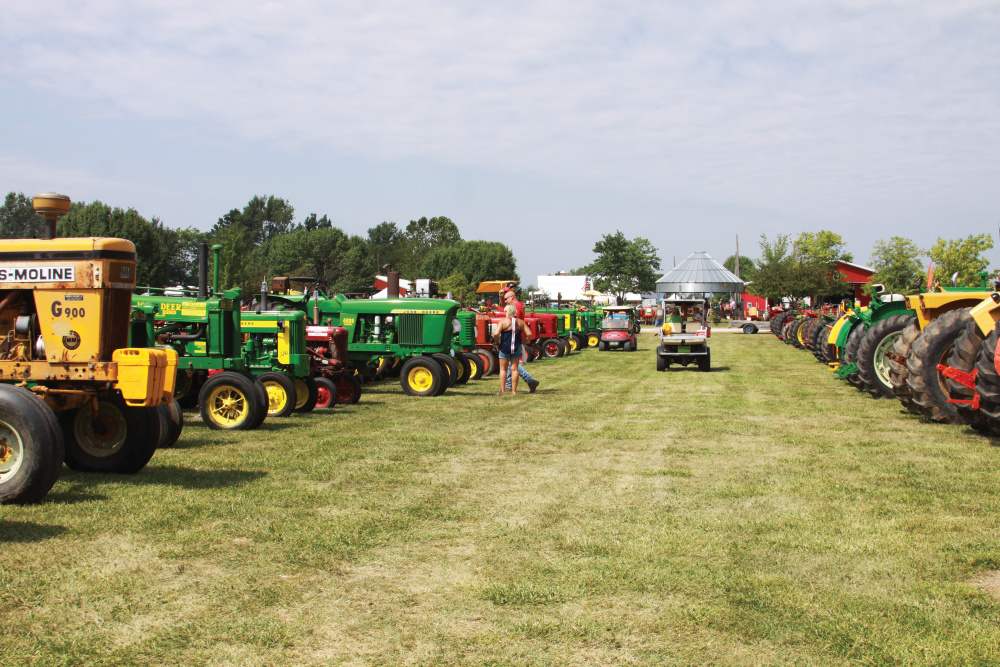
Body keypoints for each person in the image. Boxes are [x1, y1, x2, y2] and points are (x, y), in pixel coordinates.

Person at [501, 289, 540, 393]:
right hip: (517, 338)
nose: (505, 301)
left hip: (512, 338)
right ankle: (509, 385)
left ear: (511, 297)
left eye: (506, 299)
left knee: (512, 364)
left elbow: (514, 322)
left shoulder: (516, 307)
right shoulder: (520, 305)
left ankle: (529, 380)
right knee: (511, 364)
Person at [493, 304, 532, 395]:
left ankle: (502, 391)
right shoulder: (521, 322)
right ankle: (514, 391)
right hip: (516, 348)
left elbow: (495, 334)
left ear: (507, 312)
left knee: (503, 370)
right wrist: (524, 343)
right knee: (514, 370)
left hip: (504, 348)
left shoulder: (503, 322)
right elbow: (529, 334)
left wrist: (497, 343)